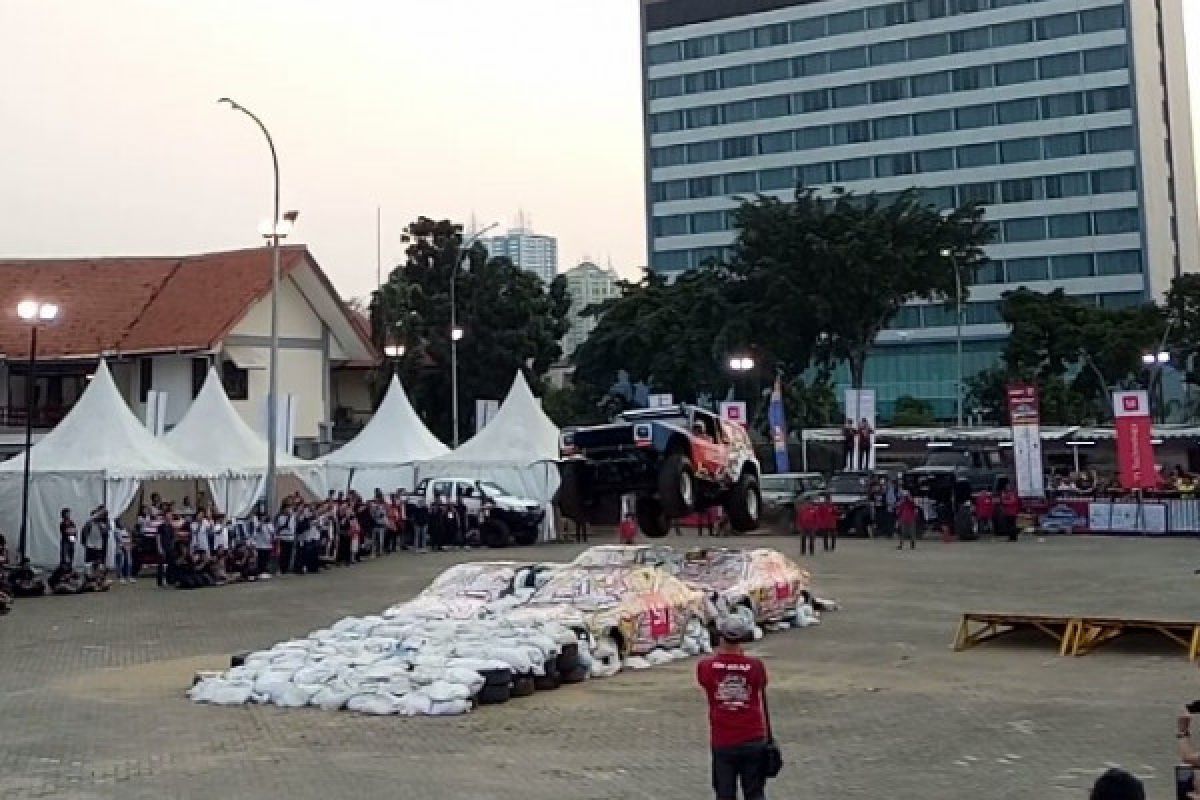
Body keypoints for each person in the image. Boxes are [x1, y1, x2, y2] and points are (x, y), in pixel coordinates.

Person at [697, 611, 772, 800]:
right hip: (753, 738)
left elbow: (705, 682)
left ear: (721, 637)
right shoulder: (755, 666)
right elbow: (760, 685)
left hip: (723, 741)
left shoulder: (706, 666)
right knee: (755, 793)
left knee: (724, 794)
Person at [275, 501, 295, 573]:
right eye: (287, 508)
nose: (288, 510)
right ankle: (281, 568)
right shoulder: (280, 517)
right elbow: (279, 527)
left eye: (289, 508)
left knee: (288, 554)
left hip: (290, 537)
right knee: (282, 554)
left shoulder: (293, 516)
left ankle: (286, 568)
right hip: (283, 537)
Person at [114, 518, 134, 584]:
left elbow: (130, 538)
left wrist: (130, 545)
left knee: (128, 562)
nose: (122, 523)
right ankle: (121, 577)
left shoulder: (126, 530)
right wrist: (124, 546)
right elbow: (119, 540)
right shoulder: (117, 531)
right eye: (120, 522)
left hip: (127, 547)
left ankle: (128, 576)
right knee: (121, 563)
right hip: (120, 548)